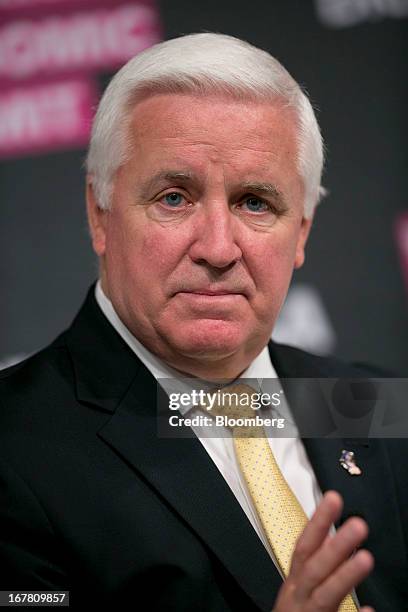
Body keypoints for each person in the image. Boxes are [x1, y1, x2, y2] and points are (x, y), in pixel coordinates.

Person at [0, 33, 407, 612]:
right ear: (101, 214)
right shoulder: (14, 448)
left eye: (255, 203)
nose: (218, 248)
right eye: (173, 198)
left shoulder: (375, 406)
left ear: (304, 232)